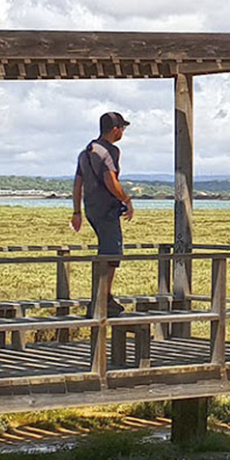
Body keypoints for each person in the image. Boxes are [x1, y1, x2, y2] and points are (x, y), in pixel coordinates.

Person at [72, 112, 134, 317]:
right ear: (115, 129)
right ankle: (102, 298)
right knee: (112, 252)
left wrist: (77, 211)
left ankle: (102, 297)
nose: (123, 132)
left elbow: (77, 184)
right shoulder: (109, 151)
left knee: (106, 250)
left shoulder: (85, 152)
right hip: (107, 209)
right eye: (122, 128)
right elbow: (110, 180)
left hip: (91, 208)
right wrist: (126, 199)